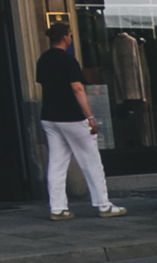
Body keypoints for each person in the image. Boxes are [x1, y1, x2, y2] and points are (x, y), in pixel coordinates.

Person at [37, 22, 126, 219]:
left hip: (49, 116)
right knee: (91, 160)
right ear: (66, 37)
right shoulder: (69, 61)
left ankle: (57, 207)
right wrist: (90, 117)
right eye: (69, 35)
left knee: (57, 163)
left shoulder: (43, 59)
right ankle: (103, 204)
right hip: (71, 116)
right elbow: (77, 89)